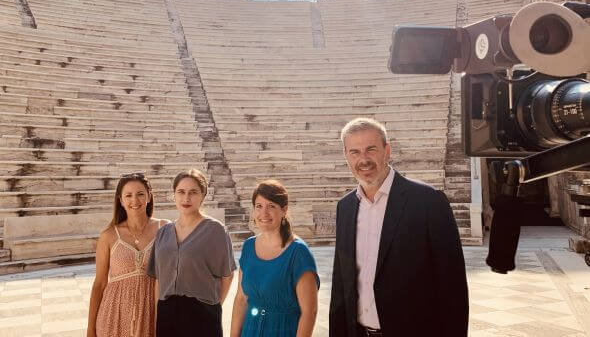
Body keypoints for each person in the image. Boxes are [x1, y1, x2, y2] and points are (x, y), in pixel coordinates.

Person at [329, 118, 469, 337]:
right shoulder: (345, 207)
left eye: (371, 149)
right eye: (354, 152)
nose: (363, 160)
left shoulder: (428, 201)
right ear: (346, 156)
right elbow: (341, 284)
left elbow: (453, 287)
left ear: (387, 150)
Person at [148, 169, 236, 337]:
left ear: (203, 195)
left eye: (193, 192)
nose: (186, 198)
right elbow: (158, 279)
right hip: (167, 314)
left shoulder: (215, 230)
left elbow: (227, 276)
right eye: (181, 192)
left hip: (202, 314)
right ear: (174, 195)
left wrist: (213, 308)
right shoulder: (163, 232)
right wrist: (158, 315)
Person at [230, 180, 319, 337]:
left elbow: (309, 312)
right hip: (249, 331)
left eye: (271, 206)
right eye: (259, 206)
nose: (264, 213)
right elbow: (241, 299)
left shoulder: (299, 252)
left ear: (284, 210)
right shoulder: (248, 247)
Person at [87, 172, 165, 337]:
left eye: (140, 194)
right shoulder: (108, 236)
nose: (134, 200)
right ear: (121, 201)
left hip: (152, 314)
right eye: (128, 195)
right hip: (114, 315)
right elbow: (99, 284)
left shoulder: (165, 229)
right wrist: (90, 330)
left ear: (149, 196)